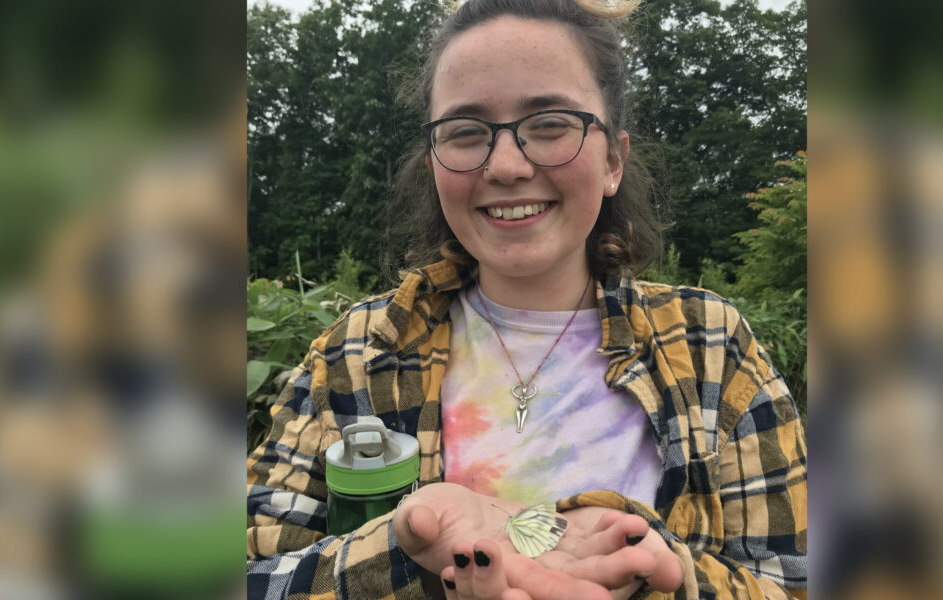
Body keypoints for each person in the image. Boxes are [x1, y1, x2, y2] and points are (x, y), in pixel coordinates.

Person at [246, 0, 807, 598]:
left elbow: (789, 582)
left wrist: (646, 565)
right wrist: (404, 548)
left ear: (613, 159)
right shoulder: (356, 352)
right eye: (465, 133)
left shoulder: (710, 346)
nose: (507, 166)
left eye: (551, 124)